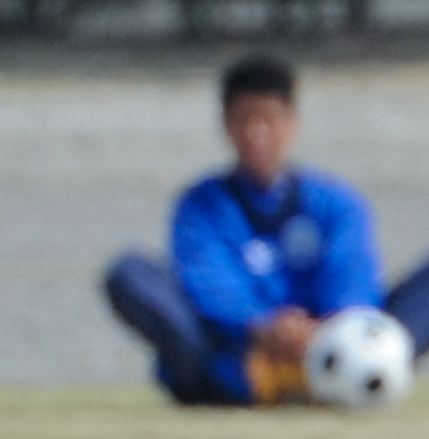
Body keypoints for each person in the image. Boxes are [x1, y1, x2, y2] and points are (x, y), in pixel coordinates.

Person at [104, 55, 429, 406]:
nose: (257, 134)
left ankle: (342, 377)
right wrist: (263, 326)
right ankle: (244, 385)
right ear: (227, 126)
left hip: (339, 348)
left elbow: (353, 280)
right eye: (245, 121)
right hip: (242, 352)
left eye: (270, 121)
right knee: (129, 274)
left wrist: (323, 332)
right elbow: (207, 285)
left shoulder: (336, 202)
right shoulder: (201, 204)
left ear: (292, 124)